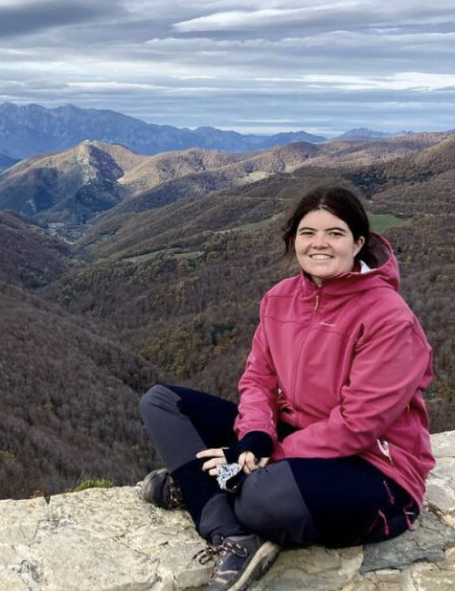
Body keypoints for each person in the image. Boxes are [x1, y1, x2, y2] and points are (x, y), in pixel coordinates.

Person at [138, 185, 434, 591]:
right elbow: (259, 379)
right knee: (163, 402)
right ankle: (232, 535)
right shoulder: (279, 299)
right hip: (294, 439)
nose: (319, 244)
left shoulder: (389, 319)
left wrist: (263, 457)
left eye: (335, 233)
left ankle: (199, 489)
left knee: (261, 496)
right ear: (294, 239)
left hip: (375, 470)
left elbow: (357, 425)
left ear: (358, 242)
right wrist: (255, 438)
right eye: (307, 233)